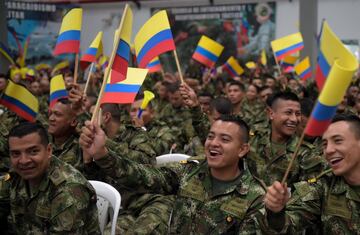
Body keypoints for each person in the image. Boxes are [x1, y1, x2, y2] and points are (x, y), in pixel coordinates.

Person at [80, 115, 266, 234]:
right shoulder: (189, 170)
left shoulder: (254, 197)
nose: (214, 143)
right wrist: (103, 155)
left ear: (242, 149)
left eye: (224, 139)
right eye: (210, 136)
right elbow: (144, 177)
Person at [263, 114, 360, 234]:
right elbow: (289, 225)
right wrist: (276, 212)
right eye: (325, 144)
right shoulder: (322, 184)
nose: (328, 150)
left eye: (338, 141)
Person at [0, 122, 100, 234]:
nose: (24, 160)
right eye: (16, 154)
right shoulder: (15, 175)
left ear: (49, 150)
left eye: (33, 151)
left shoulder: (68, 190)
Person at [247, 91, 325, 187]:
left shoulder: (306, 153)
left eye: (298, 114)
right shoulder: (254, 138)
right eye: (288, 113)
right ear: (271, 113)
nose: (294, 119)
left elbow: (311, 190)